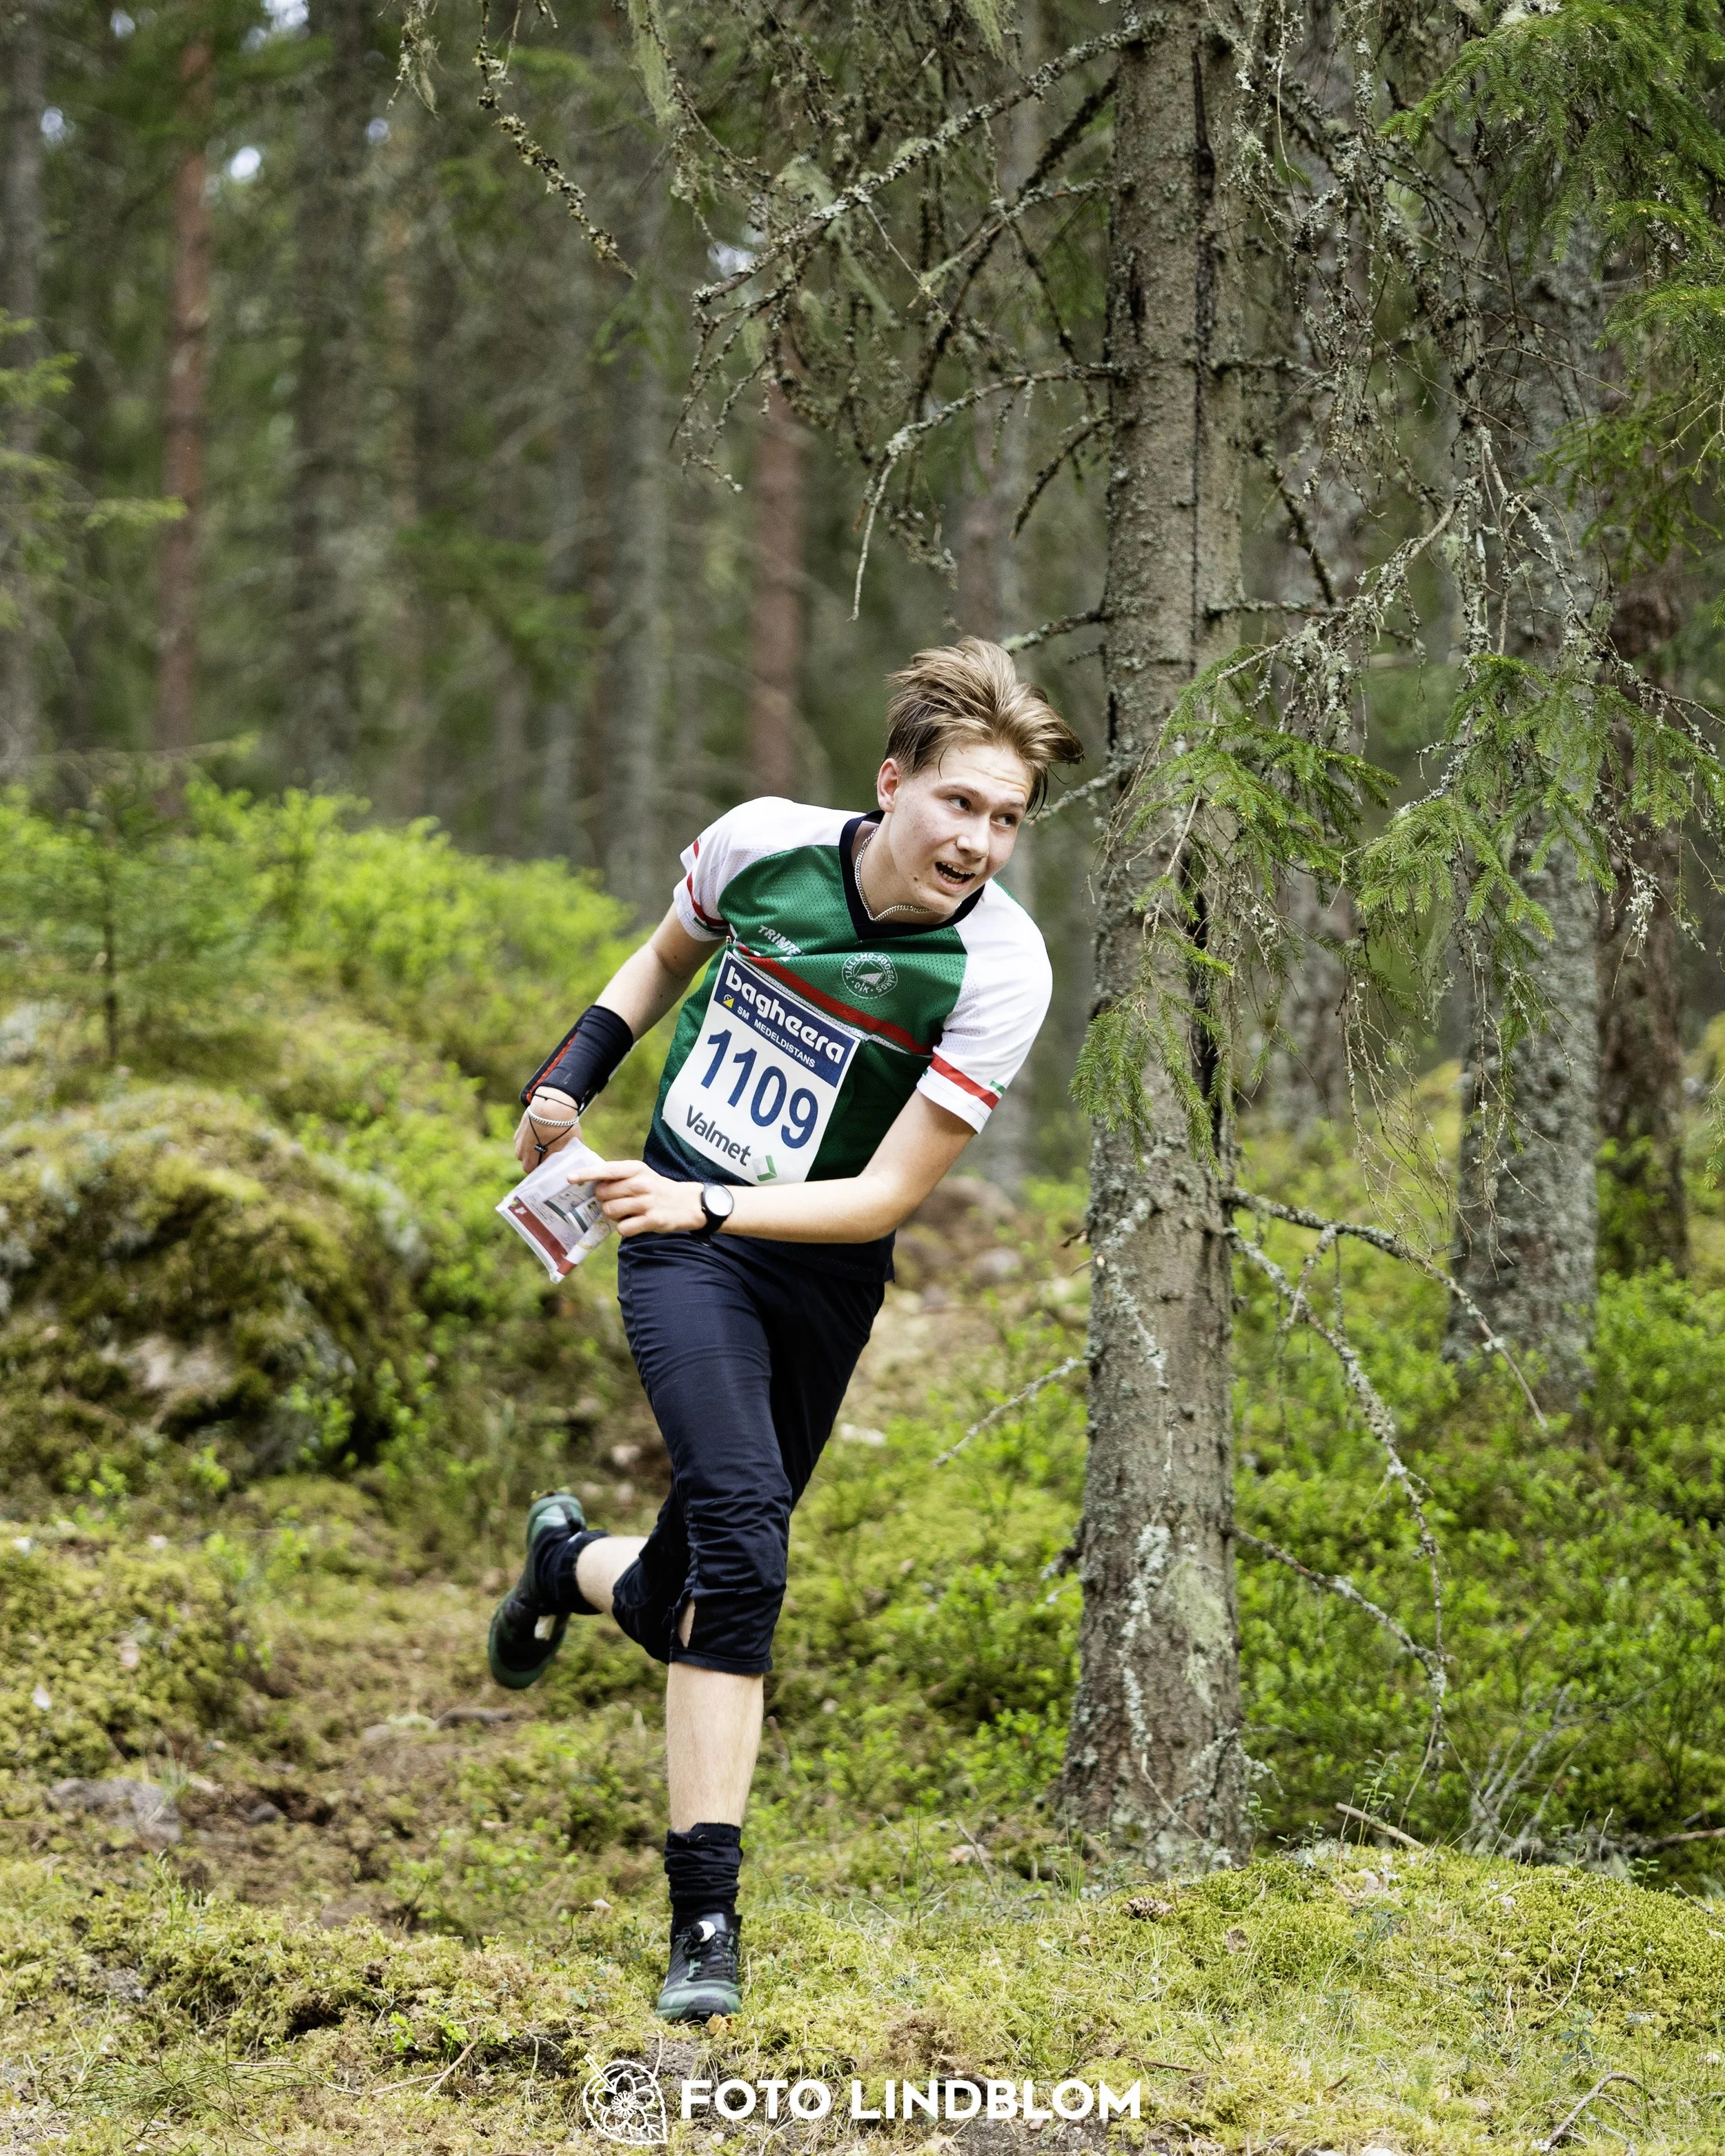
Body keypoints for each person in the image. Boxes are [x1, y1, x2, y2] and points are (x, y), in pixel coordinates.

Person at [486, 637, 1082, 2020]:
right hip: (678, 1250)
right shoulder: (762, 844)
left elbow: (883, 1194)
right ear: (893, 784)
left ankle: (569, 1566)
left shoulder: (996, 967)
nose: (979, 840)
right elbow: (656, 960)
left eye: (1005, 819)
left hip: (810, 1269)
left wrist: (707, 1198)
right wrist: (566, 1082)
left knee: (688, 1581)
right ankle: (706, 1922)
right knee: (747, 1533)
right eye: (959, 804)